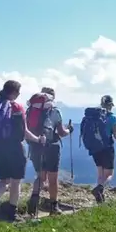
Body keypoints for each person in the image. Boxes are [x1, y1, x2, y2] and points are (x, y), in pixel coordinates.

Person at [0, 80, 46, 221]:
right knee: (16, 181)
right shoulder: (17, 107)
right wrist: (38, 139)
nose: (19, 95)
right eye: (18, 92)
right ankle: (12, 213)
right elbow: (24, 131)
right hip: (14, 148)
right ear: (13, 93)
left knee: (3, 179)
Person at [26, 87, 74, 216]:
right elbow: (62, 132)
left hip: (35, 145)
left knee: (41, 177)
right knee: (53, 179)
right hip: (52, 147)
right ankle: (54, 207)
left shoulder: (31, 110)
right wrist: (70, 130)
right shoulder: (55, 111)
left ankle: (33, 203)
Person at [90, 95, 116, 204]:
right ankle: (99, 189)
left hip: (95, 148)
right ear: (110, 105)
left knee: (100, 174)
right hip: (107, 148)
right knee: (109, 174)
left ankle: (100, 198)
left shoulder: (94, 116)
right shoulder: (112, 117)